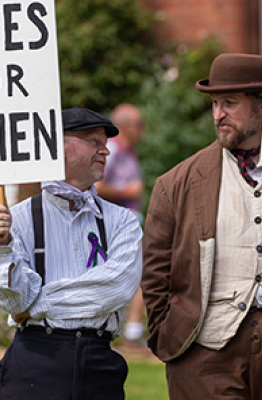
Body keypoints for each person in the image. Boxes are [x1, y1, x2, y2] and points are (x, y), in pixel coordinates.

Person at [141, 53, 262, 399]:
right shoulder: (176, 183)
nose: (218, 114)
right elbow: (155, 272)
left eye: (230, 103)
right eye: (215, 103)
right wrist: (168, 329)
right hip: (205, 348)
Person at [0, 108, 142, 400]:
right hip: (35, 359)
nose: (105, 150)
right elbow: (10, 298)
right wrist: (0, 244)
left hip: (99, 362)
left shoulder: (122, 221)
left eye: (103, 142)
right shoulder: (17, 218)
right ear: (58, 146)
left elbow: (116, 288)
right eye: (93, 141)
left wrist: (35, 305)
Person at [96, 103, 147, 347]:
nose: (143, 131)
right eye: (140, 125)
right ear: (125, 127)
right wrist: (126, 190)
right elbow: (96, 187)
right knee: (143, 271)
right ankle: (132, 333)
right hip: (117, 223)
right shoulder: (112, 151)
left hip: (131, 220)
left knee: (142, 272)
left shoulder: (129, 152)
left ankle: (130, 331)